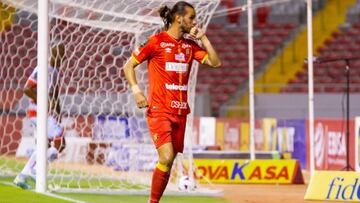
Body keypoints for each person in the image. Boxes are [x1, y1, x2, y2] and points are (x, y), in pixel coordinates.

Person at [123, 1, 221, 202]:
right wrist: (136, 91)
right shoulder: (156, 41)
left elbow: (215, 62)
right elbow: (128, 66)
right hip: (159, 111)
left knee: (168, 162)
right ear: (179, 18)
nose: (194, 21)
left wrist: (204, 39)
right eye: (191, 17)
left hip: (180, 113)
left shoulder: (190, 46)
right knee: (166, 157)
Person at [14, 43, 66, 189]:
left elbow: (54, 95)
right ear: (52, 53)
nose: (62, 55)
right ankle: (36, 170)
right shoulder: (42, 69)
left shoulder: (55, 72)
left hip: (46, 113)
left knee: (44, 145)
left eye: (63, 53)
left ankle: (22, 176)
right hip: (37, 111)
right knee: (60, 142)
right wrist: (43, 101)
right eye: (59, 52)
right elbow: (27, 89)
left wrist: (58, 112)